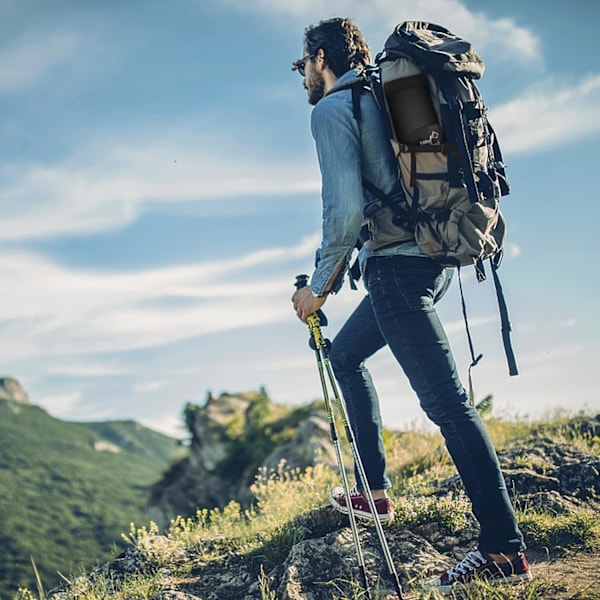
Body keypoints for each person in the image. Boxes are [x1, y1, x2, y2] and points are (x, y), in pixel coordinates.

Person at [290, 17, 532, 594]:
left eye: (302, 65)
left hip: (396, 271)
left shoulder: (331, 110)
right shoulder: (385, 91)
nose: (302, 76)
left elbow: (345, 211)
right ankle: (372, 492)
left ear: (321, 58)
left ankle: (502, 547)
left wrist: (317, 287)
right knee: (345, 356)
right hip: (427, 258)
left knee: (448, 406)